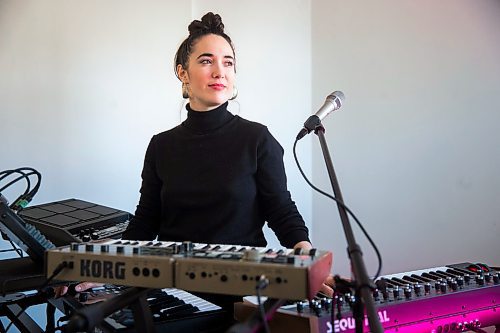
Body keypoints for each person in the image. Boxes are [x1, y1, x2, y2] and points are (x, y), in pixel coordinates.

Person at [56, 10, 333, 313]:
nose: (220, 71)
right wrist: (104, 269)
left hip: (242, 294)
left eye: (228, 62)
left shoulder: (258, 139)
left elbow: (281, 211)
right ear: (182, 73)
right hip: (172, 291)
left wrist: (308, 260)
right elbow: (146, 221)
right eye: (206, 61)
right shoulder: (161, 145)